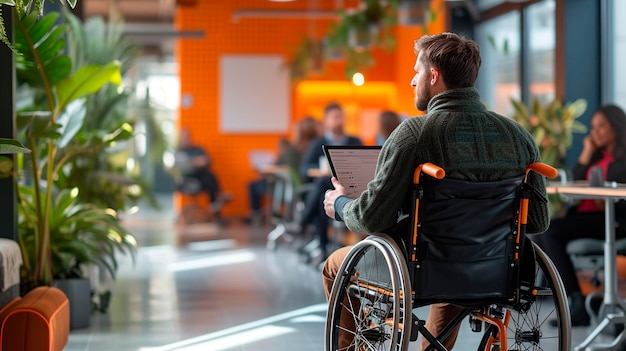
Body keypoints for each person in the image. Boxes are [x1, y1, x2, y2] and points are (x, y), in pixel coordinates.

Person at [322, 32, 550, 350]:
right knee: (453, 266)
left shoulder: (414, 134)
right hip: (491, 269)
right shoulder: (519, 136)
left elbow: (372, 217)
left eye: (416, 72)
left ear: (433, 75)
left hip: (423, 269)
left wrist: (342, 203)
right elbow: (537, 222)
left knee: (334, 266)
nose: (412, 82)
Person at [533, 104, 626, 326]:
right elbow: (574, 181)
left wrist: (604, 201)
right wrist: (586, 152)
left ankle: (575, 301)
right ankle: (574, 299)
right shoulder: (596, 156)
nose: (595, 132)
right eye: (593, 127)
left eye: (601, 126)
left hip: (614, 219)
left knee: (551, 229)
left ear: (616, 127)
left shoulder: (622, 160)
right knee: (544, 229)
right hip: (589, 218)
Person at [297, 102, 362, 264]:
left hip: (349, 188)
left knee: (321, 187)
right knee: (322, 195)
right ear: (326, 121)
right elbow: (304, 169)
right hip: (328, 187)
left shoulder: (354, 141)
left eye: (341, 117)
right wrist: (320, 167)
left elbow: (363, 165)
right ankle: (323, 247)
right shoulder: (318, 143)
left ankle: (304, 225)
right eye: (334, 117)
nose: (338, 121)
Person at [246, 116, 320, 224]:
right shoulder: (310, 149)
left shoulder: (293, 151)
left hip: (291, 188)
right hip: (301, 187)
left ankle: (258, 213)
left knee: (253, 185)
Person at [174, 127, 229, 224]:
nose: (186, 139)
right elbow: (180, 167)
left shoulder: (198, 149)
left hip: (202, 178)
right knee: (209, 178)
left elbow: (207, 161)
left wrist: (196, 162)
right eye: (183, 137)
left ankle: (216, 206)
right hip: (187, 180)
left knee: (210, 176)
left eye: (187, 136)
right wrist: (195, 161)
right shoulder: (178, 152)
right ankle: (217, 204)